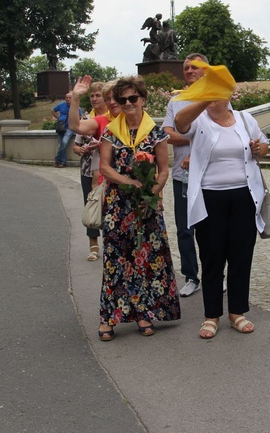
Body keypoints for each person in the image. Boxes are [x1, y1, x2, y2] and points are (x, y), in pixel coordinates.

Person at [76, 75, 180, 341]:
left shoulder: (155, 132)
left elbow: (163, 170)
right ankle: (108, 318)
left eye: (133, 98)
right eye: (122, 100)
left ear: (143, 99)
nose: (128, 103)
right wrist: (129, 183)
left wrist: (150, 194)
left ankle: (143, 313)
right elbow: (105, 167)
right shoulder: (111, 130)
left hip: (146, 206)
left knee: (146, 260)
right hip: (118, 206)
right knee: (117, 260)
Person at [173, 61, 270, 339]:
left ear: (230, 94)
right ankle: (211, 315)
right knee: (212, 256)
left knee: (241, 255)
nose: (218, 95)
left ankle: (237, 312)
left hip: (243, 195)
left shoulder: (244, 119)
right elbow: (180, 125)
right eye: (212, 90)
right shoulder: (199, 119)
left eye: (222, 90)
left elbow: (264, 146)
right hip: (209, 197)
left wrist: (258, 147)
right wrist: (204, 100)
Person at [162, 53, 208, 297]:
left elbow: (222, 131)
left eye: (195, 67)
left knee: (211, 230)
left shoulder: (216, 98)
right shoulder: (176, 101)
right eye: (187, 67)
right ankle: (191, 276)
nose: (190, 70)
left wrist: (190, 138)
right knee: (184, 230)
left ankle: (214, 275)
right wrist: (196, 136)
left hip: (211, 176)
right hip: (182, 175)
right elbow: (167, 135)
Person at [70, 81, 110, 261]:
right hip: (89, 168)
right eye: (92, 95)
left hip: (108, 169)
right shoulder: (88, 118)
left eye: (98, 95)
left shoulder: (113, 118)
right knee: (92, 204)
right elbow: (76, 142)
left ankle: (111, 241)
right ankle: (93, 243)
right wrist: (80, 149)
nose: (94, 99)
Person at [51, 93, 80, 168]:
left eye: (70, 97)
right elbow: (53, 110)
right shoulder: (61, 105)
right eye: (66, 97)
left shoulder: (75, 106)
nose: (68, 99)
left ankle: (58, 159)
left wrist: (74, 121)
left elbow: (80, 116)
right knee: (60, 145)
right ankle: (62, 162)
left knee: (64, 143)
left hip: (70, 128)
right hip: (61, 127)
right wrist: (58, 118)